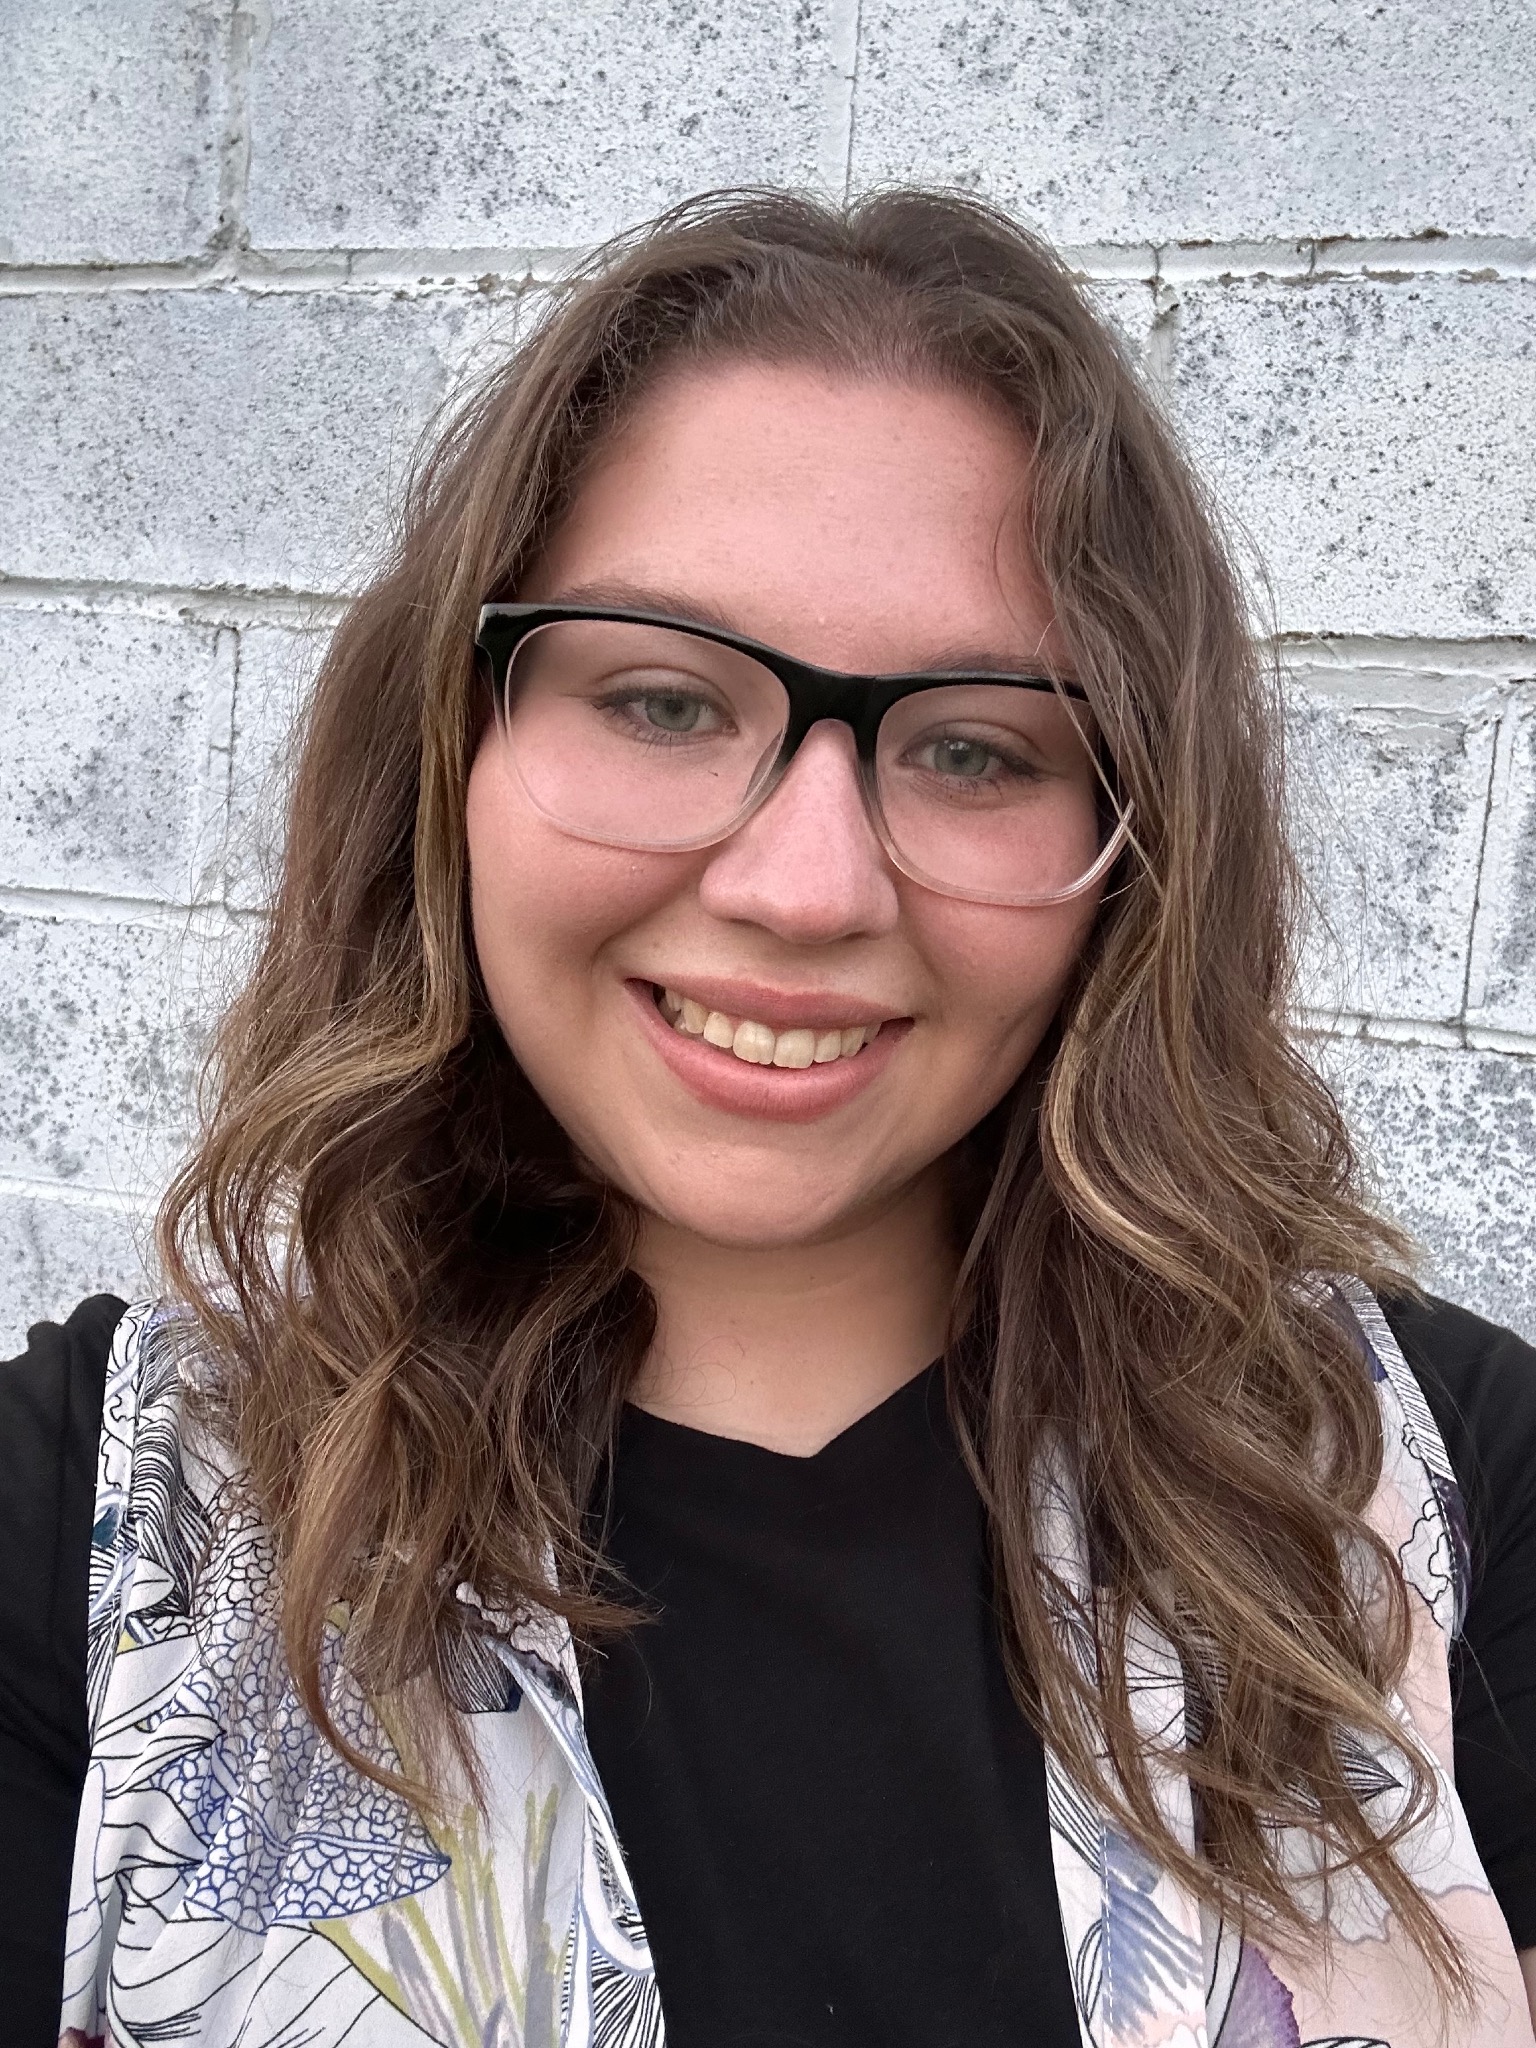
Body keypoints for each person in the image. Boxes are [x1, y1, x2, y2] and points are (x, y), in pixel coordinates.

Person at [1, 188, 1533, 2048]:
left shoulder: (1425, 1489)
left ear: (1139, 849)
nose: (807, 889)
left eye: (973, 749)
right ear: (450, 746)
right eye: (661, 701)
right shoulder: (96, 1535)